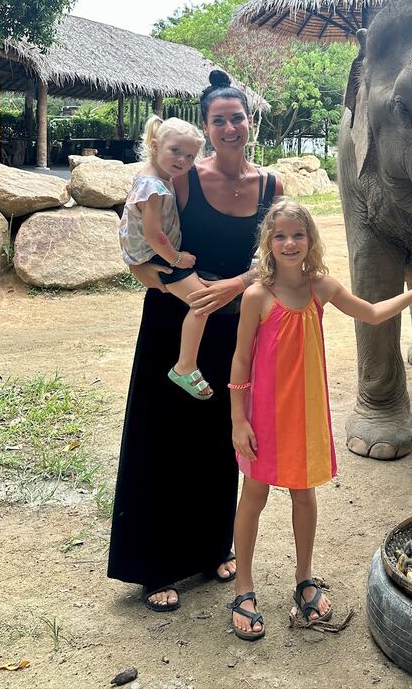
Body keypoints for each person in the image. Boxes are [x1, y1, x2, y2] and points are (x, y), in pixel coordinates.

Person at [108, 70, 283, 612]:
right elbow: (141, 245)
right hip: (175, 325)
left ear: (249, 123)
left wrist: (230, 286)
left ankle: (213, 549)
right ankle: (156, 565)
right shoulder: (181, 178)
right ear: (207, 128)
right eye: (219, 120)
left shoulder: (272, 186)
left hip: (236, 329)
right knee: (164, 439)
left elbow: (278, 258)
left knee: (221, 443)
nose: (229, 127)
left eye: (237, 117)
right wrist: (175, 287)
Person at [227, 198, 412, 640]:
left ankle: (304, 578)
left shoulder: (320, 287)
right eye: (281, 235)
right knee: (254, 495)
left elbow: (373, 313)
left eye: (298, 235)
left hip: (306, 415)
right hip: (263, 417)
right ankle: (244, 587)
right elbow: (240, 360)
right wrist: (237, 420)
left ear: (310, 240)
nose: (290, 243)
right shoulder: (256, 296)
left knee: (304, 495)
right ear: (269, 240)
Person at [119, 115, 214, 399]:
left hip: (151, 254)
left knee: (204, 294)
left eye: (189, 155)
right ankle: (185, 365)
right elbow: (153, 233)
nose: (182, 160)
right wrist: (176, 258)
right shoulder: (154, 187)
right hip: (157, 256)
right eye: (175, 151)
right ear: (155, 144)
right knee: (203, 302)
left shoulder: (154, 176)